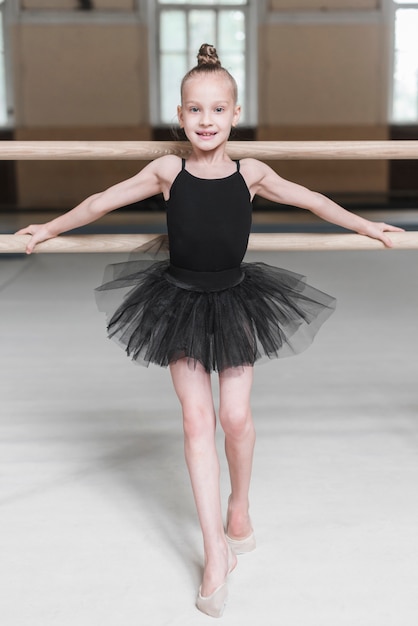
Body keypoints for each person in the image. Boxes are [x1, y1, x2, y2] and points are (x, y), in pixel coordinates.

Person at [16, 44, 403, 618]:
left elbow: (313, 199)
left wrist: (370, 225)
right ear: (179, 115)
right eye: (195, 110)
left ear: (234, 112)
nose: (205, 121)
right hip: (177, 301)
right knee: (197, 421)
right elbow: (102, 201)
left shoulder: (253, 173)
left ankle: (239, 505)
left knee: (234, 417)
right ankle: (214, 550)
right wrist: (46, 229)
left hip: (237, 299)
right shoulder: (167, 170)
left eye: (217, 110)